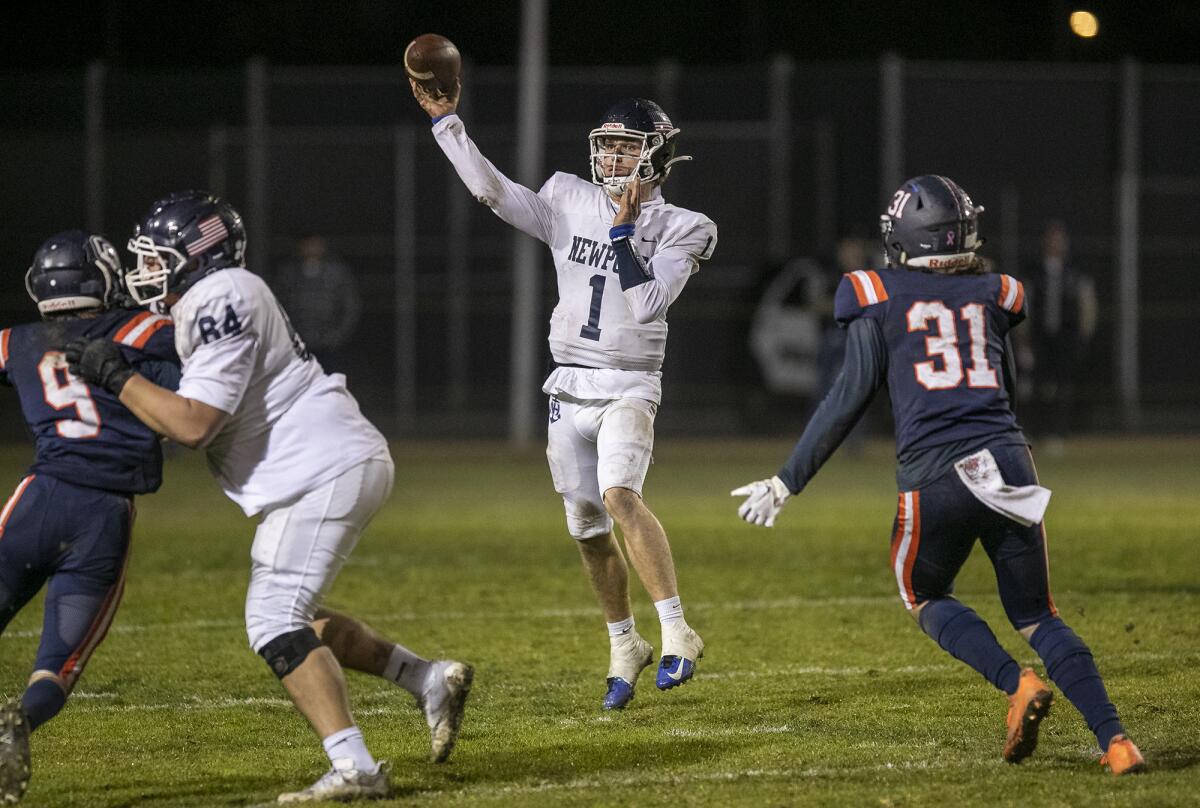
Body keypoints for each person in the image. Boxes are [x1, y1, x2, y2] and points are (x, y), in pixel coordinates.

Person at [64, 192, 472, 803]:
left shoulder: (219, 294)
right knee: (301, 620)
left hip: (322, 467)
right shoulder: (216, 295)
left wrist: (115, 376)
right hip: (322, 466)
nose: (145, 273)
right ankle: (425, 677)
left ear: (195, 256)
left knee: (273, 619)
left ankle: (355, 766)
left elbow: (195, 423)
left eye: (156, 259)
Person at [731, 176, 1146, 776]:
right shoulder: (996, 290)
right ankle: (1117, 742)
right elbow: (1003, 384)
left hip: (936, 473)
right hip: (1007, 461)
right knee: (1038, 615)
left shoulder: (875, 290)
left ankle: (1016, 684)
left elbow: (848, 397)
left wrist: (786, 480)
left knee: (922, 592)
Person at [412, 80, 716, 711]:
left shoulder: (686, 226)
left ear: (658, 154)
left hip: (630, 381)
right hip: (568, 380)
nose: (611, 160)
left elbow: (648, 301)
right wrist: (448, 124)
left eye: (627, 148)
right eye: (606, 147)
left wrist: (625, 231)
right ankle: (623, 643)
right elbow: (492, 193)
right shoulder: (566, 197)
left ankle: (677, 627)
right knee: (585, 526)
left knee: (620, 495)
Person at [0, 231, 180, 803]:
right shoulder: (145, 332)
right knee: (58, 663)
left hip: (36, 501)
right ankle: (19, 722)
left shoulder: (16, 341)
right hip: (101, 516)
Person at [1023, 219, 1097, 448]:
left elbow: (1087, 306)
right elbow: (1023, 306)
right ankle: (1036, 432)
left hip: (1066, 337)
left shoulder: (1075, 273)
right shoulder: (1034, 273)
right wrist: (1023, 338)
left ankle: (1058, 433)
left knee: (1063, 387)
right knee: (1037, 386)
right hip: (1040, 337)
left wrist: (1082, 337)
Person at [273, 235, 362, 374]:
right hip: (299, 341)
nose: (311, 248)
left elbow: (349, 306)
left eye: (315, 244)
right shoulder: (289, 274)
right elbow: (279, 306)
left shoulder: (336, 274)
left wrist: (337, 335)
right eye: (307, 244)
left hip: (328, 344)